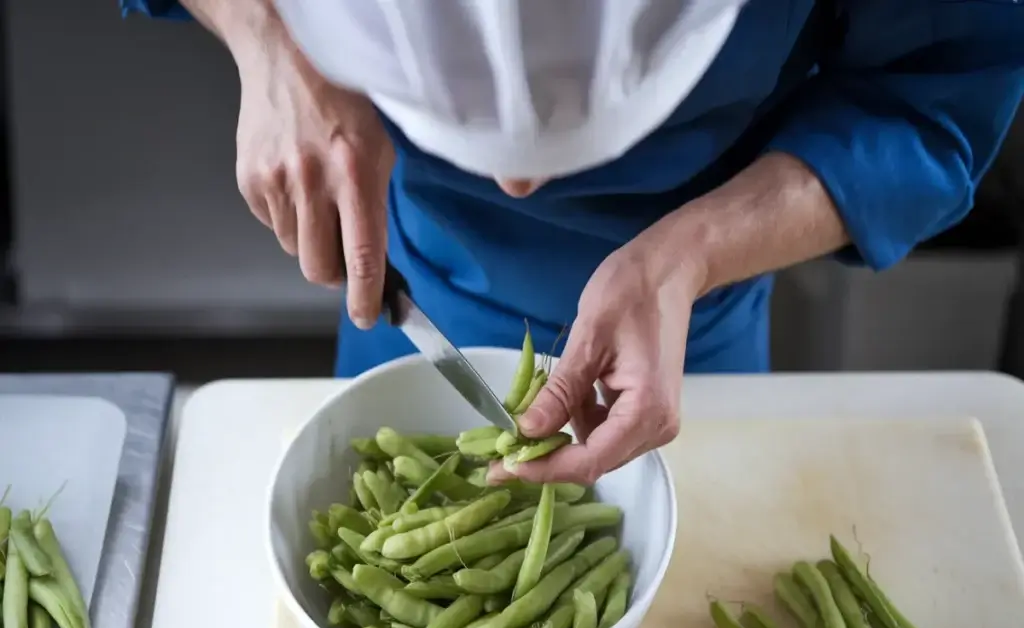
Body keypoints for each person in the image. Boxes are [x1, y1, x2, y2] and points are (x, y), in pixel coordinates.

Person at [123, 0, 1024, 485]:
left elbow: (930, 98)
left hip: (692, 326)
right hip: (409, 289)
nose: (520, 185)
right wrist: (266, 36)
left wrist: (689, 254)